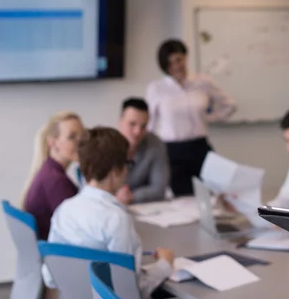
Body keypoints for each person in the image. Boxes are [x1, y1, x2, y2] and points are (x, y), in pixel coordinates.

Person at [45, 127, 174, 299]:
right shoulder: (117, 219)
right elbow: (128, 291)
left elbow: (50, 277)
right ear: (116, 172)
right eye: (127, 164)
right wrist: (164, 265)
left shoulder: (63, 210)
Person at [146, 39, 237, 196]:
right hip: (172, 150)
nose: (176, 66)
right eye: (171, 62)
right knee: (183, 197)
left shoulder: (203, 82)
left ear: (186, 57)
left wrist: (208, 118)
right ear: (164, 65)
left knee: (216, 192)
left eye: (179, 60)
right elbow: (150, 124)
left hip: (199, 147)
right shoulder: (157, 88)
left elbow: (229, 105)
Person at [21, 111, 84, 240]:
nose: (80, 143)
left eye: (82, 137)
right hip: (59, 255)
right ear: (53, 143)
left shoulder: (48, 171)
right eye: (72, 137)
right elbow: (78, 230)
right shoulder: (56, 181)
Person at [115, 97, 170, 205]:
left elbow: (159, 188)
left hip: (145, 209)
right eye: (132, 124)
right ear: (120, 122)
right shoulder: (105, 146)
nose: (137, 131)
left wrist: (132, 197)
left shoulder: (155, 144)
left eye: (143, 126)